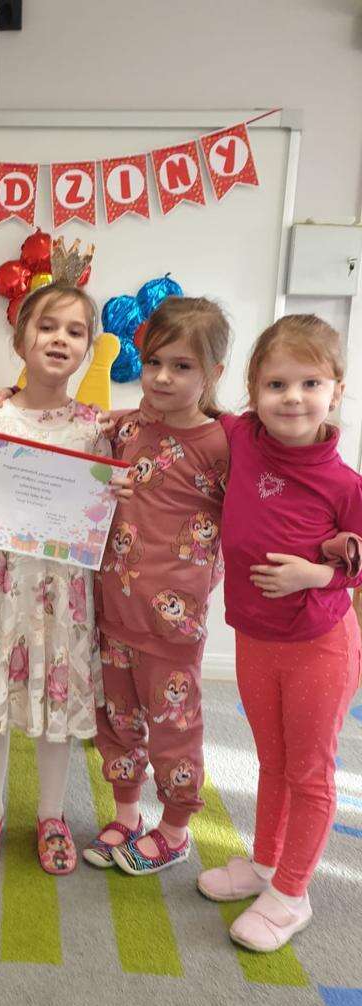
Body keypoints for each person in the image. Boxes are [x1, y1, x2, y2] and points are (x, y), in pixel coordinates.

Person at [0, 265, 130, 876]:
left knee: (58, 699)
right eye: (47, 326)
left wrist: (117, 490)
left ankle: (53, 814)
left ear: (89, 348)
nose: (59, 339)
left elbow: (103, 507)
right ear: (20, 338)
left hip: (62, 589)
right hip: (0, 581)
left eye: (75, 331)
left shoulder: (95, 428)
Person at [197, 314, 362, 952]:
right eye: (276, 384)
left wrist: (317, 574)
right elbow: (179, 410)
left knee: (309, 772)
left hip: (319, 645)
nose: (292, 398)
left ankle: (292, 895)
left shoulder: (344, 483)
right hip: (255, 637)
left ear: (336, 390)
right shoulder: (241, 436)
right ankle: (266, 864)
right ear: (253, 390)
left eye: (310, 383)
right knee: (273, 761)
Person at [82, 297, 231, 877]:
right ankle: (126, 814)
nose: (163, 377)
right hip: (113, 610)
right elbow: (70, 434)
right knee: (116, 721)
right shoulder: (125, 428)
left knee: (174, 729)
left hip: (172, 625)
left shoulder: (224, 445)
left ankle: (174, 830)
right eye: (153, 363)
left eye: (182, 366)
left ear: (213, 373)